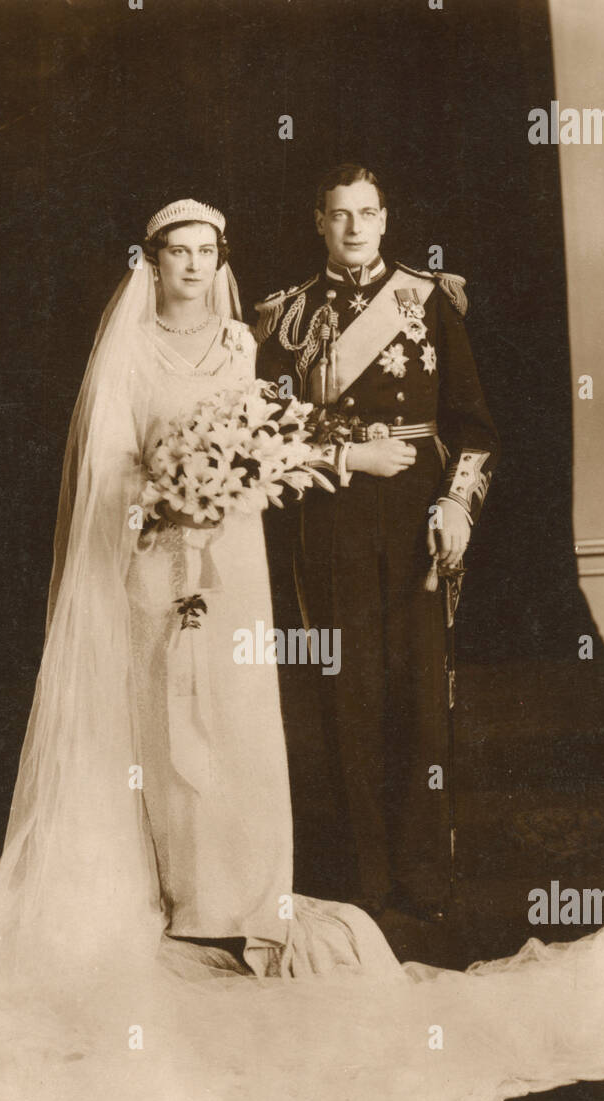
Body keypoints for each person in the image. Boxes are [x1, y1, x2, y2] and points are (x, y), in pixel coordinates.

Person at [0, 199, 604, 1101]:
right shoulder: (154, 341)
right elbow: (112, 471)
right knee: (148, 732)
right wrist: (169, 503)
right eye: (172, 251)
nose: (187, 266)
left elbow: (278, 443)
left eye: (202, 250)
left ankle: (233, 897)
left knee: (232, 730)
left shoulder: (241, 340)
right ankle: (154, 893)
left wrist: (321, 473)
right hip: (145, 563)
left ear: (221, 257)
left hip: (231, 567)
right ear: (154, 260)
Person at [256, 163, 499, 923]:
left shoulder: (430, 300)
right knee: (345, 698)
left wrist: (458, 503)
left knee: (419, 697)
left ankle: (425, 875)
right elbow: (264, 435)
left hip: (415, 516)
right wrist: (341, 456)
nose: (355, 228)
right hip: (329, 521)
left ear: (387, 219)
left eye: (367, 213)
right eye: (340, 215)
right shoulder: (286, 317)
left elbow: (475, 426)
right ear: (318, 223)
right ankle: (366, 880)